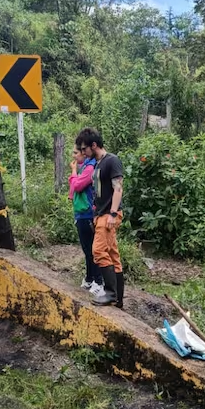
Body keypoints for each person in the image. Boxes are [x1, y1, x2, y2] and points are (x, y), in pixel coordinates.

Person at [76, 128, 124, 308]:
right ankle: (118, 298)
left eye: (84, 149)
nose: (83, 153)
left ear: (94, 145)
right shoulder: (97, 164)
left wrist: (112, 213)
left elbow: (118, 188)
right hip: (100, 214)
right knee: (112, 254)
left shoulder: (112, 161)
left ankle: (110, 293)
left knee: (97, 251)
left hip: (109, 214)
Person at [68, 143, 104, 297]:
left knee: (92, 249)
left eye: (78, 152)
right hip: (81, 213)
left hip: (88, 213)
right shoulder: (85, 168)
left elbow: (77, 186)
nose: (75, 155)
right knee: (86, 249)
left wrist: (74, 171)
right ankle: (90, 278)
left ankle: (98, 280)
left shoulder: (90, 168)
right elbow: (72, 192)